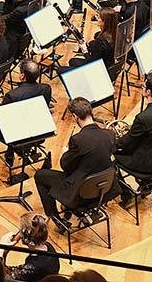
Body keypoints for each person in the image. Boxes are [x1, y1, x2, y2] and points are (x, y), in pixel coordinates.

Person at [34, 98, 115, 232]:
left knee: (40, 175)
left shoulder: (78, 140)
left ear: (75, 116)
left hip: (81, 193)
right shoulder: (110, 134)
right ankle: (65, 210)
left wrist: (66, 152)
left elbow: (65, 166)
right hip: (103, 189)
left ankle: (55, 218)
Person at [113, 74, 152, 207]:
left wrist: (113, 142)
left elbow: (128, 142)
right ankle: (146, 184)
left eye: (143, 86)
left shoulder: (143, 117)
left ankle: (127, 193)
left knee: (112, 160)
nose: (142, 88)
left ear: (148, 92)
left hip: (145, 163)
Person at [0, 60, 53, 163]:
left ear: (22, 76)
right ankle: (12, 153)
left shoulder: (13, 95)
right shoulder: (46, 89)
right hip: (39, 130)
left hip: (18, 134)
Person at [1, 213, 60, 281]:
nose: (19, 234)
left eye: (20, 230)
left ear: (25, 236)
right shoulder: (48, 246)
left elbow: (2, 275)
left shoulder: (32, 267)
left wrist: (4, 253)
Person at [68, 7, 120, 79]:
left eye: (99, 18)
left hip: (100, 70)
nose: (97, 20)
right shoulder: (116, 32)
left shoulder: (100, 41)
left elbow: (91, 64)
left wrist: (84, 50)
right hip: (109, 64)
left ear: (105, 22)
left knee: (72, 61)